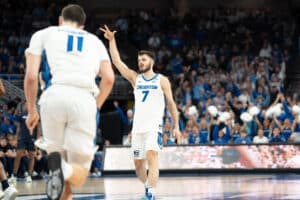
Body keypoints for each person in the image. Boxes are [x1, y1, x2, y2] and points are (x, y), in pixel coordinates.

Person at [24, 4, 114, 200]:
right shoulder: (94, 41)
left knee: (64, 184)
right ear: (82, 26)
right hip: (83, 99)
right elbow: (109, 79)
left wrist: (31, 110)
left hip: (53, 96)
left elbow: (31, 77)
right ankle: (63, 168)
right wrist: (96, 106)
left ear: (60, 21)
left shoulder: (44, 34)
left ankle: (58, 167)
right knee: (79, 175)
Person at [101, 25, 181, 200]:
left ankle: (151, 193)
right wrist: (112, 41)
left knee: (152, 156)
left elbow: (172, 104)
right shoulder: (134, 78)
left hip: (154, 127)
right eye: (139, 60)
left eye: (143, 60)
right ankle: (147, 186)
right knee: (138, 166)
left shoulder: (162, 80)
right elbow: (116, 62)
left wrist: (176, 127)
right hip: (138, 129)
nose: (140, 63)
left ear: (151, 62)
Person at [10, 102, 41, 184]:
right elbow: (19, 127)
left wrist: (38, 140)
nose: (27, 105)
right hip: (22, 138)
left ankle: (29, 175)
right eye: (25, 104)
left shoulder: (35, 115)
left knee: (32, 156)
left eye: (28, 104)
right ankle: (14, 175)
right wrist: (16, 138)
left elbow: (38, 128)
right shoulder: (21, 114)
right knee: (18, 155)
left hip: (32, 138)